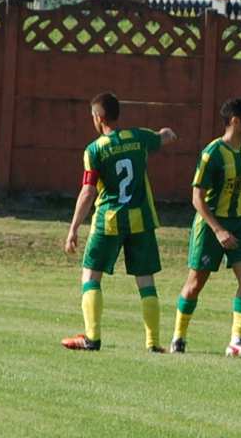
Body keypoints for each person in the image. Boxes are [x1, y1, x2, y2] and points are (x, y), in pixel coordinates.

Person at [61, 92, 178, 352]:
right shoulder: (138, 137)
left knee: (91, 275)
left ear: (99, 118)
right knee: (145, 280)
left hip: (109, 220)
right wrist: (167, 134)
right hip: (142, 220)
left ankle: (92, 338)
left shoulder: (95, 149)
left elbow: (88, 191)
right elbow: (163, 138)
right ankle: (153, 343)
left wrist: (73, 230)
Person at [170, 98, 241, 357]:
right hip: (211, 225)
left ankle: (236, 341)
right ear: (235, 121)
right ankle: (179, 336)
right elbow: (197, 198)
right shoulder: (212, 153)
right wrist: (219, 230)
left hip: (240, 224)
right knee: (195, 283)